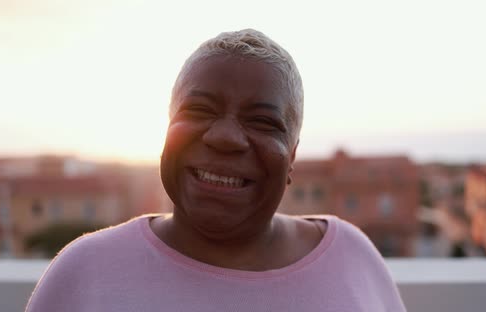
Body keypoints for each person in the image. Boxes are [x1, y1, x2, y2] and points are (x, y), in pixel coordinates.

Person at [26, 29, 406, 312]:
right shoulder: (84, 272)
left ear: (291, 158)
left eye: (261, 121)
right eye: (200, 111)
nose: (225, 136)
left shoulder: (351, 258)